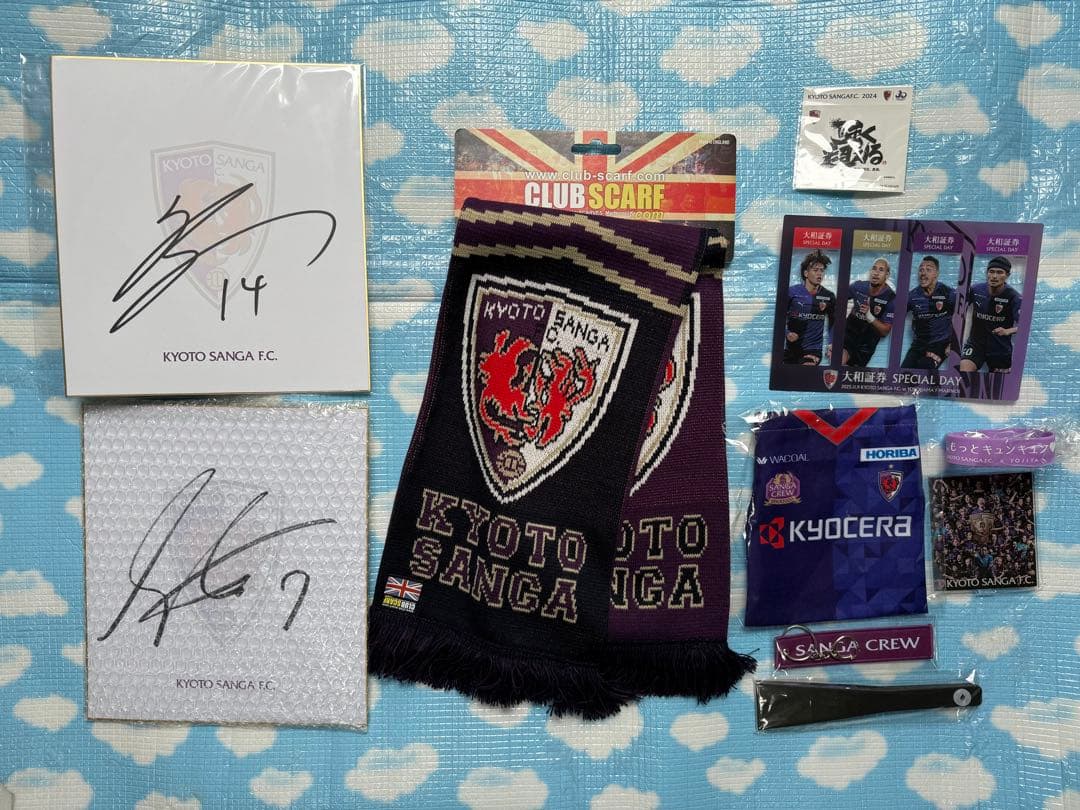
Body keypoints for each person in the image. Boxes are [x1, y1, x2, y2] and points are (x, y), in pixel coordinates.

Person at [960, 256, 1022, 373]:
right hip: (975, 344)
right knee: (964, 373)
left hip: (999, 349)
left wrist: (1008, 331)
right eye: (991, 271)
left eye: (999, 272)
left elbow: (1025, 325)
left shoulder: (1014, 297)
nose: (994, 276)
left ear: (1007, 275)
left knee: (998, 383)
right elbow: (957, 307)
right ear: (987, 273)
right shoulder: (975, 290)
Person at [902, 256, 955, 369]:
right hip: (919, 344)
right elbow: (896, 315)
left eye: (928, 269)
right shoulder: (912, 296)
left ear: (936, 274)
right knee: (903, 373)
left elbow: (963, 317)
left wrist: (953, 343)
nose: (923, 273)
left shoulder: (949, 294)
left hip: (940, 344)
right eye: (921, 269)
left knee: (925, 367)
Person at [784, 250, 835, 365]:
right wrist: (787, 333)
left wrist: (831, 343)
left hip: (813, 350)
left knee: (806, 370)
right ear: (806, 273)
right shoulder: (792, 292)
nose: (819, 274)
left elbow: (834, 322)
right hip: (791, 349)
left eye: (822, 270)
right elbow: (779, 317)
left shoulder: (829, 296)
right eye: (815, 270)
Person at [842, 257, 895, 366]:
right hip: (850, 331)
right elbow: (838, 301)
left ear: (887, 275)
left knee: (852, 372)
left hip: (868, 340)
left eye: (881, 270)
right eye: (874, 269)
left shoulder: (891, 298)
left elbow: (885, 331)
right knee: (840, 361)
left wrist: (869, 316)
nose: (876, 273)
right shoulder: (858, 286)